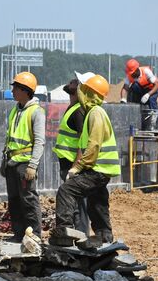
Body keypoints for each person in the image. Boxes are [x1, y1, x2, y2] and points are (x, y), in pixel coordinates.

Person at [50, 73, 119, 248]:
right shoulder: (93, 112)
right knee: (97, 202)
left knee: (66, 191)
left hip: (96, 169)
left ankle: (64, 233)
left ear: (88, 91)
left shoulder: (95, 113)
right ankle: (105, 237)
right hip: (101, 169)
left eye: (83, 88)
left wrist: (78, 167)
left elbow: (93, 145)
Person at [1, 71, 45, 242]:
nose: (13, 91)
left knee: (28, 199)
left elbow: (40, 141)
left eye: (16, 88)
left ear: (25, 90)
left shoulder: (36, 112)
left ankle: (34, 235)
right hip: (12, 162)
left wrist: (33, 165)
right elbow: (9, 137)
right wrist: (3, 160)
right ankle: (19, 234)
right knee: (14, 200)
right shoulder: (15, 110)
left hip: (25, 164)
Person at [51, 78, 90, 233]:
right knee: (72, 202)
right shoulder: (72, 108)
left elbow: (83, 141)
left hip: (73, 165)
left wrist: (76, 166)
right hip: (66, 163)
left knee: (78, 204)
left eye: (74, 83)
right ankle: (76, 233)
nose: (69, 84)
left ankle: (81, 234)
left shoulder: (79, 110)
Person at [125, 58, 158, 130]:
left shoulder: (146, 71)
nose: (132, 75)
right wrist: (123, 99)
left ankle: (157, 123)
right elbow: (125, 88)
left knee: (151, 100)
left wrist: (148, 95)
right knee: (133, 86)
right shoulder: (130, 76)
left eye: (133, 73)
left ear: (137, 69)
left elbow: (157, 85)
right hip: (143, 90)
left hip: (153, 90)